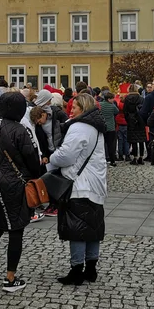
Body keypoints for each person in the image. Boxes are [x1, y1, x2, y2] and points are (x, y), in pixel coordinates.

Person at [0, 91, 40, 293]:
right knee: (16, 228)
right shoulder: (20, 130)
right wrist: (35, 175)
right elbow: (32, 159)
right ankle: (10, 278)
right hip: (14, 183)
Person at [50, 93, 107, 286]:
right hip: (96, 183)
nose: (71, 110)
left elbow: (66, 155)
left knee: (77, 230)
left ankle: (76, 270)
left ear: (82, 108)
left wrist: (52, 158)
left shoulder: (78, 127)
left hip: (80, 185)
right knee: (93, 229)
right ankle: (91, 269)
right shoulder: (96, 127)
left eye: (74, 107)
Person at [122, 85, 146, 165]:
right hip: (140, 120)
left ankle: (135, 157)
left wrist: (128, 119)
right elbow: (144, 110)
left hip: (131, 120)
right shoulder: (141, 99)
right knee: (141, 140)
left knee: (134, 140)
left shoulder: (127, 99)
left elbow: (124, 111)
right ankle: (141, 157)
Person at [98, 92, 120, 166]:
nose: (113, 100)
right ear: (109, 99)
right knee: (111, 145)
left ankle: (102, 159)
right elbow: (117, 111)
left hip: (102, 127)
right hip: (111, 127)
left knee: (102, 144)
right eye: (112, 98)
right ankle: (112, 160)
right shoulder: (112, 106)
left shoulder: (100, 104)